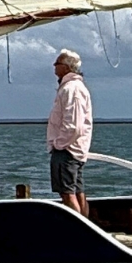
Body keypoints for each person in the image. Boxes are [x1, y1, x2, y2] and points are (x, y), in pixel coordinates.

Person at [47, 50, 93, 217]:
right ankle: (86, 227)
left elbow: (74, 125)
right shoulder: (70, 87)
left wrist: (59, 144)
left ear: (66, 67)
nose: (54, 67)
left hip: (68, 149)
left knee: (67, 192)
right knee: (77, 190)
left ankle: (79, 230)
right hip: (73, 148)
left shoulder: (71, 88)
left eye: (57, 64)